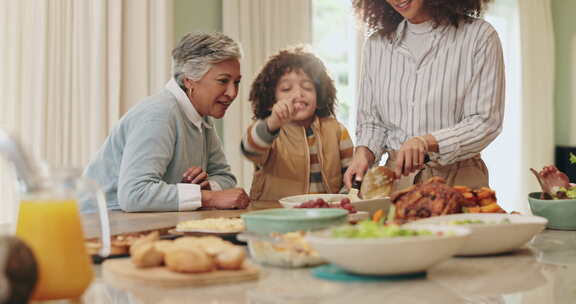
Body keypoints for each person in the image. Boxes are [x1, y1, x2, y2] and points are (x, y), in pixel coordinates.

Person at [345, 0, 504, 192]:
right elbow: (372, 122)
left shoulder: (480, 36)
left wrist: (427, 142)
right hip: (396, 183)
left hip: (459, 182)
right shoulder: (376, 45)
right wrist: (364, 153)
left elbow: (485, 122)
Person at [83, 32, 250, 212]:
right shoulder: (159, 115)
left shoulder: (201, 116)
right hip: (101, 228)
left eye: (237, 82)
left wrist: (204, 187)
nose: (232, 93)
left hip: (144, 223)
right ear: (189, 81)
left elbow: (225, 177)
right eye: (223, 81)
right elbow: (134, 194)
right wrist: (209, 197)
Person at [241, 47, 354, 200]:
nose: (298, 94)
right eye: (286, 89)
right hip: (276, 214)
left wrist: (339, 202)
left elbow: (351, 176)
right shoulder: (269, 132)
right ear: (271, 100)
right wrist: (273, 122)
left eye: (307, 87)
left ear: (319, 94)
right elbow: (249, 149)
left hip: (325, 213)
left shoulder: (337, 131)